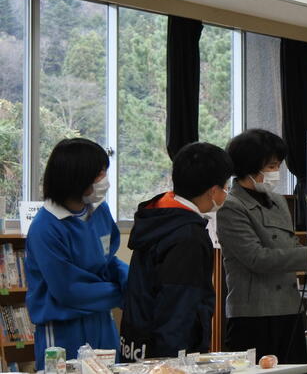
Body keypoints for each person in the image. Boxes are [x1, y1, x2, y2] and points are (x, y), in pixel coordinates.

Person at [217, 129, 307, 363]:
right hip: (253, 314)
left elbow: (289, 244)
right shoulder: (231, 206)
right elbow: (256, 258)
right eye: (271, 166)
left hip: (290, 309)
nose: (276, 172)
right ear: (250, 166)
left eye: (278, 165)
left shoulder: (277, 201)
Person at [119, 142, 233, 361]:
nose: (226, 193)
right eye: (225, 186)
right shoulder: (187, 235)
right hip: (166, 356)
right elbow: (178, 307)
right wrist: (173, 363)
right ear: (213, 190)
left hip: (137, 344)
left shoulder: (159, 216)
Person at [25, 138, 128, 369]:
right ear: (77, 177)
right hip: (63, 328)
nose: (105, 181)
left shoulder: (99, 210)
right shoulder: (46, 227)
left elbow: (107, 261)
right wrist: (121, 294)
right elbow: (69, 290)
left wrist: (132, 280)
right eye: (99, 174)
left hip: (101, 320)